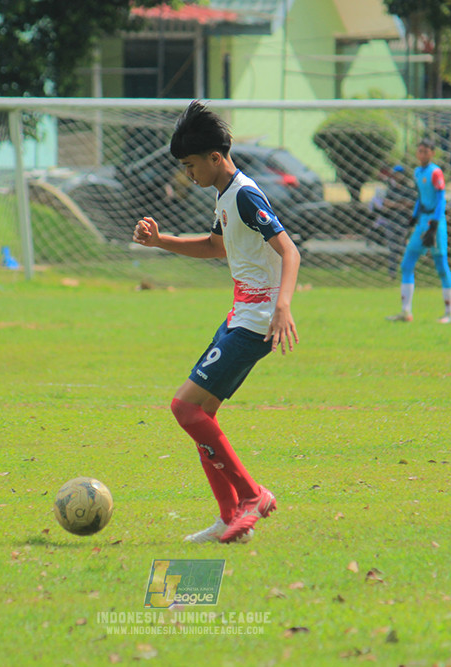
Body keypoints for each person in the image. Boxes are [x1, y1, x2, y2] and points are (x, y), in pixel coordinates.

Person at [132, 101, 300, 544]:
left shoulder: (245, 194)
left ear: (214, 157)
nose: (188, 174)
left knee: (183, 408)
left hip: (256, 322)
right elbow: (215, 247)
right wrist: (160, 241)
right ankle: (230, 518)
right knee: (201, 415)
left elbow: (290, 250)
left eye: (190, 165)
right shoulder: (225, 194)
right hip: (240, 317)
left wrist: (283, 305)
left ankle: (251, 496)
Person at [386, 138, 451, 324]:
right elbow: (420, 197)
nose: (422, 154)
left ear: (432, 153)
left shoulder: (435, 172)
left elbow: (441, 199)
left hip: (436, 222)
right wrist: (414, 217)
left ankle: (450, 314)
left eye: (426, 151)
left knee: (441, 266)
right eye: (420, 151)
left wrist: (434, 224)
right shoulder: (417, 172)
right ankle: (405, 312)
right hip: (422, 222)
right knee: (406, 264)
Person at [371, 165, 414, 279]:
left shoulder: (408, 189)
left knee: (403, 247)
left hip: (404, 221)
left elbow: (411, 204)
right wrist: (399, 204)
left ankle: (407, 271)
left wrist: (397, 205)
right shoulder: (391, 189)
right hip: (391, 220)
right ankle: (392, 272)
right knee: (393, 247)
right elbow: (386, 203)